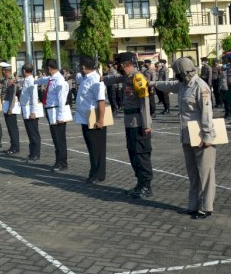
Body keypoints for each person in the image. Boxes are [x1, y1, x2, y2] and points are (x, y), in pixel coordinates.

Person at [152, 57, 217, 220]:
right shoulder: (182, 85)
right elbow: (168, 85)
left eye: (178, 74)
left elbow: (207, 113)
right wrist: (152, 84)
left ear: (186, 72)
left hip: (201, 136)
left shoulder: (200, 86)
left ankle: (206, 206)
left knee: (206, 173)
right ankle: (194, 205)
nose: (176, 77)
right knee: (193, 173)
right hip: (187, 135)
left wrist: (208, 135)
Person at [104, 52, 154, 198]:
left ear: (123, 64)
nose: (117, 68)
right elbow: (112, 78)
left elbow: (144, 102)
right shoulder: (126, 77)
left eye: (118, 65)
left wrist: (146, 124)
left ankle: (146, 186)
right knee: (133, 153)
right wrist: (99, 78)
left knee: (141, 154)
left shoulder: (137, 77)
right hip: (130, 121)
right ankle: (140, 183)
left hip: (139, 122)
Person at [74, 56, 108, 184]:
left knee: (96, 148)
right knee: (91, 148)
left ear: (83, 67)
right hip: (86, 118)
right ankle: (94, 172)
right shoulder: (86, 78)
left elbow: (101, 101)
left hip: (94, 117)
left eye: (80, 67)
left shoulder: (95, 79)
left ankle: (98, 174)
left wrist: (100, 120)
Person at [35, 59, 70, 172]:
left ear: (49, 68)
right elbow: (42, 80)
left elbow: (61, 100)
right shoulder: (51, 78)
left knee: (59, 139)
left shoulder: (59, 80)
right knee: (56, 138)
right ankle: (59, 161)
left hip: (56, 113)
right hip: (51, 111)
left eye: (46, 68)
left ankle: (62, 162)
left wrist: (60, 117)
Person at [19, 64, 42, 162]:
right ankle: (32, 153)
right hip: (26, 109)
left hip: (30, 111)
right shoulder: (26, 80)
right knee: (30, 133)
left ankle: (35, 154)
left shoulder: (31, 81)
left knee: (33, 133)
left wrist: (33, 111)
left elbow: (34, 97)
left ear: (24, 71)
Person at [0, 62, 20, 155]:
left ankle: (15, 147)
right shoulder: (6, 80)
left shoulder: (11, 80)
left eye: (2, 70)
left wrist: (10, 109)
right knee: (10, 127)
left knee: (12, 128)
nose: (1, 72)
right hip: (7, 104)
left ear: (4, 71)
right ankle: (13, 146)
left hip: (10, 106)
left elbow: (12, 95)